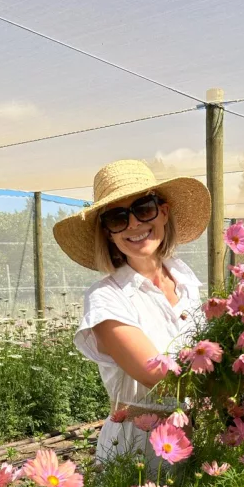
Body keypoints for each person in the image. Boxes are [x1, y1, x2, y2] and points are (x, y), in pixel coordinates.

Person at [53, 159, 211, 470]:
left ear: (163, 212)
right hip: (140, 447)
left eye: (144, 208)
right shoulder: (106, 298)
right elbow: (158, 376)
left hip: (204, 432)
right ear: (107, 232)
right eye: (117, 218)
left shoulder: (184, 277)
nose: (134, 225)